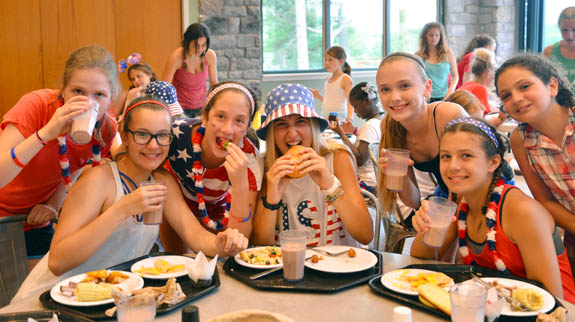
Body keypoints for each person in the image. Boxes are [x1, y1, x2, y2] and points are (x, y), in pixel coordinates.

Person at [11, 96, 248, 302]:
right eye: (143, 135)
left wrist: (221, 243)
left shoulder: (162, 181)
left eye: (162, 136)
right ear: (124, 136)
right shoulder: (99, 179)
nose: (153, 145)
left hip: (105, 300)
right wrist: (121, 209)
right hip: (51, 298)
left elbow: (194, 234)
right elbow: (58, 261)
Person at [410, 117, 575, 302]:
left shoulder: (523, 212)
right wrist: (426, 225)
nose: (453, 166)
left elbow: (550, 299)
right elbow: (420, 261)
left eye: (466, 155)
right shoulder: (459, 204)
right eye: (446, 156)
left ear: (493, 162)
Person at [0, 45, 119, 262]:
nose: (87, 102)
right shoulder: (36, 105)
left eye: (99, 94)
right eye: (78, 91)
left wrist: (53, 205)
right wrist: (46, 134)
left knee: (40, 289)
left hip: (34, 220)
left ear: (110, 99)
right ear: (62, 89)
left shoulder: (105, 130)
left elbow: (73, 168)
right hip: (3, 215)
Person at [251, 83, 373, 247]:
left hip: (339, 266)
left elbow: (365, 235)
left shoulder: (337, 158)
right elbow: (261, 245)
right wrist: (272, 199)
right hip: (288, 267)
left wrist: (329, 185)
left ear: (313, 125)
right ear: (272, 132)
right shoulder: (268, 168)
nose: (292, 133)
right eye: (281, 124)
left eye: (300, 122)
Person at [495, 53, 575, 279]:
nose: (517, 98)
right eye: (506, 95)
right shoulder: (520, 140)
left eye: (525, 86)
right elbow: (545, 200)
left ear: (552, 86)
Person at [160, 81, 263, 253]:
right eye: (220, 116)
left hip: (220, 213)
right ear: (205, 117)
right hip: (175, 208)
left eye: (239, 121)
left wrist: (239, 184)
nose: (228, 129)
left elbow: (239, 240)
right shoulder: (174, 137)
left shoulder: (251, 162)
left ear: (248, 127)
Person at [376, 52, 467, 224]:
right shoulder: (390, 127)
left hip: (484, 195)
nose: (395, 97)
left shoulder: (448, 116)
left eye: (404, 86)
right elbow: (413, 201)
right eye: (385, 89)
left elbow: (477, 174)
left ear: (426, 87)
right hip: (449, 199)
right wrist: (399, 175)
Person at [330, 82, 383, 194]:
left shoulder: (369, 126)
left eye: (355, 107)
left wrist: (341, 134)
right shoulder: (381, 120)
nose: (355, 111)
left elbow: (360, 159)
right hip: (378, 180)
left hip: (368, 185)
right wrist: (354, 132)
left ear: (367, 102)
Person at [162, 22, 218, 118]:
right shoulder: (177, 57)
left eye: (203, 45)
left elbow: (214, 84)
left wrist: (212, 106)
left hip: (202, 108)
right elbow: (165, 87)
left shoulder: (210, 55)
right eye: (195, 45)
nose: (200, 49)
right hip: (179, 109)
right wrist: (177, 112)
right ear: (187, 42)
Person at [415, 22, 458, 102]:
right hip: (425, 97)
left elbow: (455, 75)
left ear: (441, 36)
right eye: (431, 35)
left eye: (437, 35)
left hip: (445, 96)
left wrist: (451, 90)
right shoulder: (419, 54)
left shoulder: (448, 52)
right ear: (425, 36)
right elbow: (415, 76)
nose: (434, 38)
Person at [311, 46, 354, 122]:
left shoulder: (345, 78)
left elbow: (350, 102)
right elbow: (331, 101)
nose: (327, 63)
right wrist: (318, 96)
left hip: (339, 119)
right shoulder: (328, 78)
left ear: (341, 61)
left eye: (330, 60)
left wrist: (349, 119)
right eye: (326, 60)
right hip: (325, 117)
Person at [544, 7, 575, 89]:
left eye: (574, 30)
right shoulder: (549, 52)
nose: (570, 36)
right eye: (565, 30)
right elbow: (544, 82)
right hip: (557, 101)